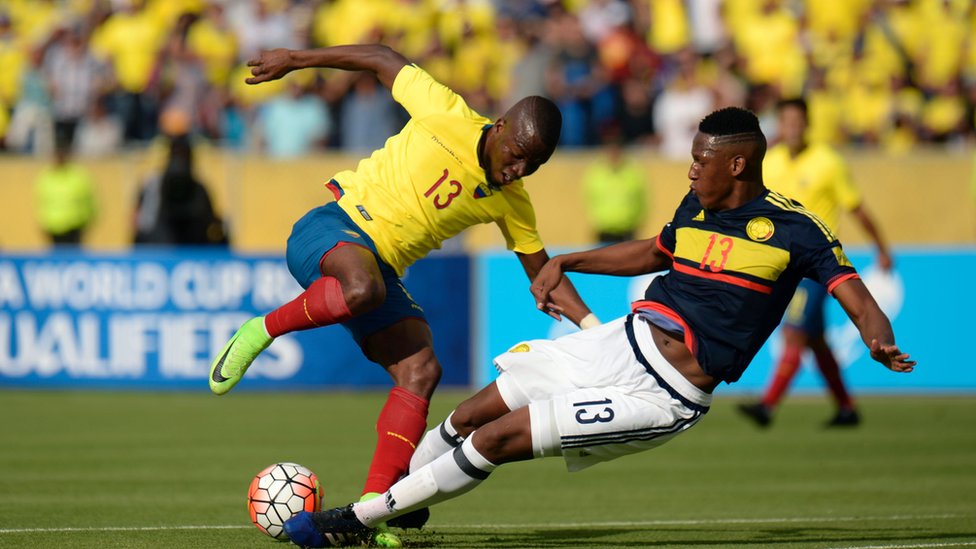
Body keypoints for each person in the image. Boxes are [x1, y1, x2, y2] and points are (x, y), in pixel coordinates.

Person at [277, 107, 915, 548]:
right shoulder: (696, 206)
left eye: (700, 160)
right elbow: (657, 252)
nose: (691, 168)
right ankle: (406, 504)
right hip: (620, 342)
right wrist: (569, 260)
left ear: (739, 166)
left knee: (498, 440)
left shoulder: (796, 230)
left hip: (662, 393)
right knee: (468, 415)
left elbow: (851, 290)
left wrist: (877, 336)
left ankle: (360, 519)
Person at [210, 44, 598, 547]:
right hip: (331, 229)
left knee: (421, 370)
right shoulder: (445, 111)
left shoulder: (511, 201)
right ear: (500, 126)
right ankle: (260, 329)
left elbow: (542, 273)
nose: (520, 169)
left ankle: (370, 517)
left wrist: (596, 331)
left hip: (377, 274)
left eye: (535, 164)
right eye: (518, 154)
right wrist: (298, 60)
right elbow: (379, 56)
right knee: (363, 286)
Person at [737, 98, 893, 428]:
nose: (792, 128)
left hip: (815, 266)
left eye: (797, 121)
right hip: (780, 265)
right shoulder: (772, 161)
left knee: (794, 333)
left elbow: (856, 207)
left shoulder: (828, 162)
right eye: (786, 121)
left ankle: (767, 406)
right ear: (779, 125)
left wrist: (880, 247)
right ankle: (847, 408)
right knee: (816, 340)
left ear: (807, 124)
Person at [133, 129, 227, 245]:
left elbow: (210, 224)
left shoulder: (199, 188)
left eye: (183, 156)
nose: (179, 164)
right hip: (160, 245)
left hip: (194, 246)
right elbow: (140, 223)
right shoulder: (154, 186)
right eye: (176, 156)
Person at [581, 125, 647, 244]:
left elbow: (641, 201)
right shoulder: (596, 172)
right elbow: (590, 199)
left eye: (616, 147)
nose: (613, 152)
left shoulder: (633, 172)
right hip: (604, 231)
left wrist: (636, 222)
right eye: (609, 148)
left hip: (627, 231)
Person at [34, 136, 97, 245]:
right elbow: (42, 202)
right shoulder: (46, 176)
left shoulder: (78, 175)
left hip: (75, 226)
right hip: (52, 227)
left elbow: (90, 201)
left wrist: (87, 221)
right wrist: (43, 223)